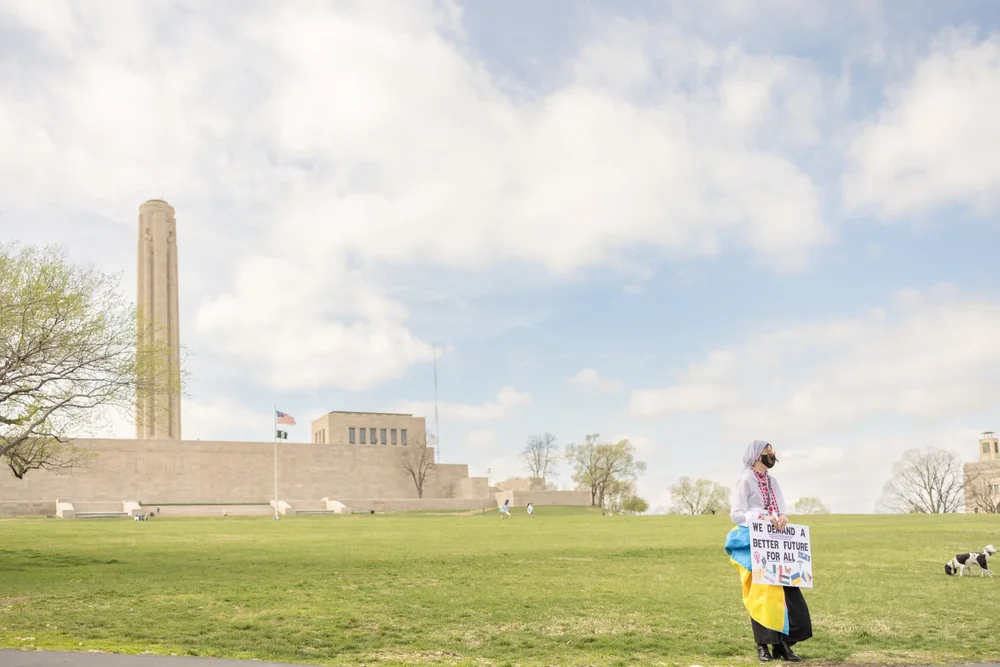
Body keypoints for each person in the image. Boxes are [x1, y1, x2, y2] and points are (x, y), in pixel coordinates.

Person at [725, 440, 812, 663]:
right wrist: (763, 517)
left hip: (776, 542)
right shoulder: (746, 480)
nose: (772, 455)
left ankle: (782, 644)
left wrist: (782, 517)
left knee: (786, 591)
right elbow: (736, 514)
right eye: (767, 452)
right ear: (757, 456)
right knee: (762, 593)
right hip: (753, 540)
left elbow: (780, 509)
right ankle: (762, 645)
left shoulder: (773, 481)